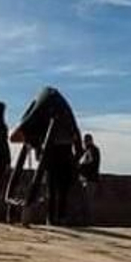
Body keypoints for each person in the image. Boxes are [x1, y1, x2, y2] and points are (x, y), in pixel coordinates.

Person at [9, 86, 82, 227]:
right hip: (59, 151)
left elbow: (16, 137)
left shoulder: (50, 108)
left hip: (56, 151)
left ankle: (54, 217)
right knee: (57, 187)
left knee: (55, 186)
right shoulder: (59, 110)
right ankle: (56, 217)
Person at [76, 132, 102, 226]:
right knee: (86, 202)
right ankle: (86, 221)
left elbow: (91, 164)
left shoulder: (92, 150)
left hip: (91, 179)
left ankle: (88, 221)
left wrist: (80, 167)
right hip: (89, 179)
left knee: (88, 202)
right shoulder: (91, 150)